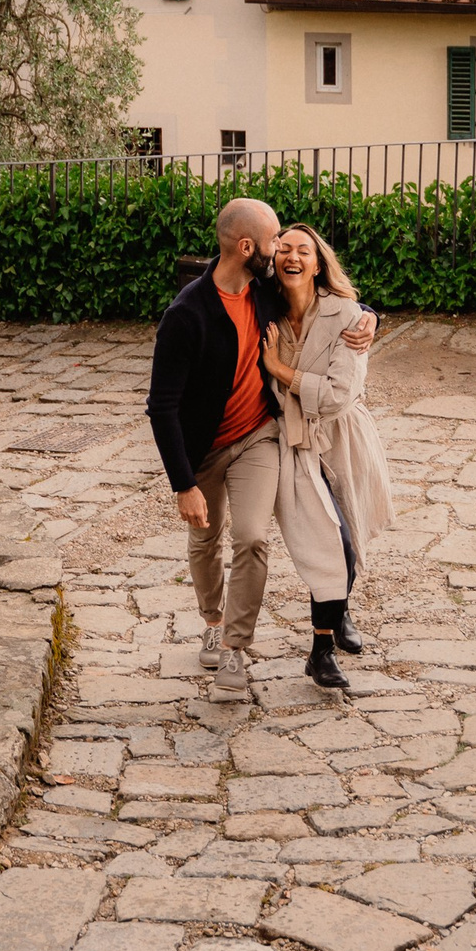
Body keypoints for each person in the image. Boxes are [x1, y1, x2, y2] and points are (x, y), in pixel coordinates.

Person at [146, 197, 373, 703]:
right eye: (273, 242)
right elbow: (161, 407)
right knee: (206, 540)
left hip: (257, 436)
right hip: (203, 448)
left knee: (251, 539)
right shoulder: (185, 316)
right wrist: (183, 484)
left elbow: (319, 294)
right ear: (246, 247)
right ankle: (212, 620)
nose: (279, 253)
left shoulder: (265, 290)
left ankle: (234, 648)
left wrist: (369, 317)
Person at [259, 223, 395, 690]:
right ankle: (320, 652)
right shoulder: (263, 312)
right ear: (274, 261)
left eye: (304, 250)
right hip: (293, 442)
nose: (293, 257)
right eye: (284, 250)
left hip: (341, 437)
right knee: (328, 544)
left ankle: (340, 613)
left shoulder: (348, 318)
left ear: (319, 265)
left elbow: (337, 395)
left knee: (350, 546)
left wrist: (279, 368)